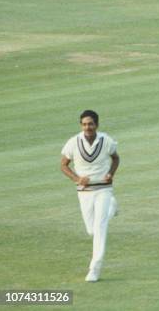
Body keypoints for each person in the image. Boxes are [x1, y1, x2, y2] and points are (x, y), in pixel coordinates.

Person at [60, 110, 119, 282]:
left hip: (103, 188)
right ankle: (112, 208)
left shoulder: (106, 140)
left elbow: (116, 158)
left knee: (100, 228)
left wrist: (110, 173)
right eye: (84, 124)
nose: (88, 127)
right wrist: (77, 179)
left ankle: (94, 268)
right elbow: (63, 165)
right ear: (81, 125)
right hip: (84, 191)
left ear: (97, 125)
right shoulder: (73, 142)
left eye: (91, 124)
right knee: (91, 230)